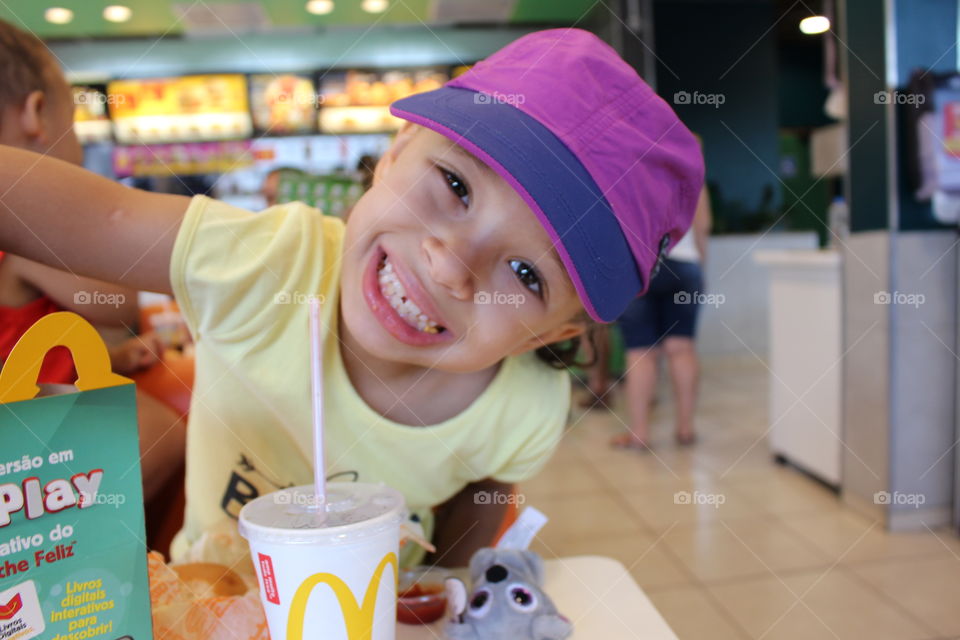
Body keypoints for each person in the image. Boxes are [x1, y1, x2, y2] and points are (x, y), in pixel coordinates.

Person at [0, 28, 703, 567]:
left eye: (526, 275)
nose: (453, 264)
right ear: (394, 152)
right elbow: (100, 219)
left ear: (551, 334)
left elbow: (466, 537)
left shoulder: (521, 409)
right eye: (455, 185)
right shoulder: (266, 262)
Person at [0, 20, 185, 501]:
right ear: (37, 116)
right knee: (163, 433)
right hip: (30, 433)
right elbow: (116, 301)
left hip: (28, 407)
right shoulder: (21, 220)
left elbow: (25, 345)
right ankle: (81, 550)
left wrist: (114, 356)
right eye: (75, 127)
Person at [611, 186, 712, 450]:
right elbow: (702, 226)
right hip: (686, 266)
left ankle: (640, 434)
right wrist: (701, 267)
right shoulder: (693, 177)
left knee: (640, 352)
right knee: (682, 348)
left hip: (641, 267)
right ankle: (686, 428)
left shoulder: (630, 173)